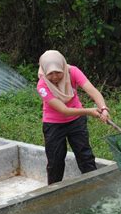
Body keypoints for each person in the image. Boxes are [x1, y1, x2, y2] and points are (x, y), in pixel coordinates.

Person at [37, 50, 110, 184]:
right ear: (45, 72)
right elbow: (64, 110)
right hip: (54, 124)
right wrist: (89, 111)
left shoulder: (73, 72)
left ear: (63, 67)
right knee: (55, 161)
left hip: (76, 121)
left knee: (85, 156)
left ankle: (94, 187)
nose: (55, 77)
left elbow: (92, 90)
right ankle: (54, 193)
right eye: (50, 74)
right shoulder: (42, 85)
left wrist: (103, 108)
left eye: (58, 72)